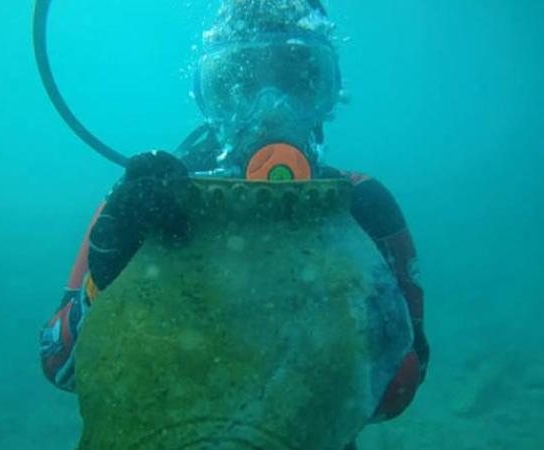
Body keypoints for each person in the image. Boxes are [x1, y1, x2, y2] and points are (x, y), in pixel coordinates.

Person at [40, 0, 429, 446]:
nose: (269, 111)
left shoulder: (362, 208)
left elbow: (399, 390)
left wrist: (358, 301)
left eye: (297, 81)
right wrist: (104, 280)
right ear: (209, 100)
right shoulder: (144, 201)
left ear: (327, 94)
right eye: (239, 86)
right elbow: (59, 363)